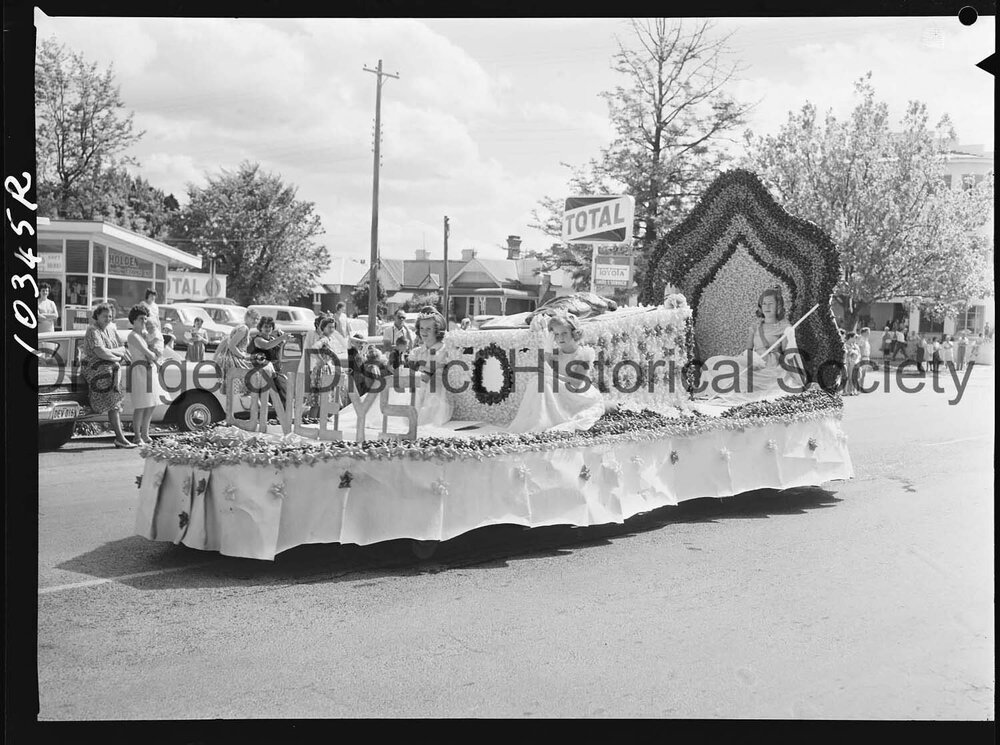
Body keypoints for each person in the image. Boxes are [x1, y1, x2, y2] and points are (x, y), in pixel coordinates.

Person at [697, 287, 806, 404]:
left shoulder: (785, 327)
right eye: (764, 303)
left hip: (770, 369)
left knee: (739, 380)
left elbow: (789, 356)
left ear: (778, 306)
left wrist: (790, 338)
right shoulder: (755, 327)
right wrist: (751, 358)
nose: (767, 307)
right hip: (752, 362)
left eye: (770, 303)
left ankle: (735, 391)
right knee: (713, 363)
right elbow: (748, 349)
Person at [507, 311, 606, 434]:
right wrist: (548, 348)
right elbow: (543, 370)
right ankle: (536, 422)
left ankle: (544, 422)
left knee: (544, 381)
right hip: (559, 390)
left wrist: (553, 376)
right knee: (538, 380)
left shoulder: (584, 353)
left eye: (564, 333)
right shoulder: (555, 353)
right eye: (557, 334)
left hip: (577, 393)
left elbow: (577, 383)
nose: (560, 338)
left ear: (575, 333)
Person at [81, 303, 134, 448]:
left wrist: (113, 352)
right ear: (97, 316)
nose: (108, 318)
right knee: (113, 401)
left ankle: (120, 437)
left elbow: (123, 348)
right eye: (104, 316)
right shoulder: (92, 330)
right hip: (95, 368)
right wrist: (117, 357)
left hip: (109, 367)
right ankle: (120, 437)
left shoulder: (111, 330)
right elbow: (100, 352)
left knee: (115, 402)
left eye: (110, 316)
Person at [407, 307, 454, 426]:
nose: (424, 332)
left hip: (434, 391)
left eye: (428, 328)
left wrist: (411, 375)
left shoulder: (442, 350)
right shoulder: (418, 351)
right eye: (422, 328)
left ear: (437, 331)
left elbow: (429, 377)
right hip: (418, 387)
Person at [126, 305, 160, 445]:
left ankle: (145, 434)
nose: (144, 321)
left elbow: (156, 349)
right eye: (141, 319)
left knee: (151, 403)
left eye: (145, 318)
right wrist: (153, 354)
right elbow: (150, 353)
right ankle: (137, 436)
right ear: (134, 320)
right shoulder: (133, 335)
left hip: (149, 369)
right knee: (140, 405)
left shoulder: (144, 334)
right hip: (139, 370)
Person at [305, 316, 349, 417]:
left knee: (323, 400)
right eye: (329, 327)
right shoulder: (324, 339)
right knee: (317, 400)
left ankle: (319, 422)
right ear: (323, 328)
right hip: (322, 370)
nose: (331, 329)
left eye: (333, 327)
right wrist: (320, 360)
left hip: (326, 369)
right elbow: (313, 348)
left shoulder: (329, 339)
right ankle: (313, 421)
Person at [215, 307, 260, 397]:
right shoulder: (244, 329)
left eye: (257, 318)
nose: (255, 320)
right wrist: (243, 356)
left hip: (229, 357)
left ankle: (248, 397)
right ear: (247, 318)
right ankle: (250, 398)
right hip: (231, 359)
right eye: (253, 318)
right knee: (257, 371)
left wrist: (215, 356)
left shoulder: (242, 327)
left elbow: (225, 340)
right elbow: (231, 345)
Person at [249, 316, 292, 406]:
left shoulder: (273, 339)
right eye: (265, 326)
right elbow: (267, 346)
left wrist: (282, 343)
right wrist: (281, 338)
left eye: (269, 326)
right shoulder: (258, 339)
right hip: (262, 373)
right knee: (269, 399)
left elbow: (277, 356)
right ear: (260, 328)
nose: (268, 329)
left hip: (275, 372)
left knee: (284, 395)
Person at [139, 288, 164, 356]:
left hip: (154, 327)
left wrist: (159, 330)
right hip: (146, 326)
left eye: (154, 296)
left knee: (155, 343)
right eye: (151, 295)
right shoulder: (143, 304)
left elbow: (157, 318)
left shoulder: (156, 306)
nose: (153, 297)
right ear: (147, 296)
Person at [857, 327, 872, 392]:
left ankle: (861, 387)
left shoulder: (866, 340)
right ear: (864, 333)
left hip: (866, 357)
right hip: (863, 357)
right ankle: (858, 387)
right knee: (860, 374)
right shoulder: (861, 339)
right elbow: (860, 348)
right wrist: (861, 357)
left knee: (863, 374)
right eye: (868, 332)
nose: (869, 334)